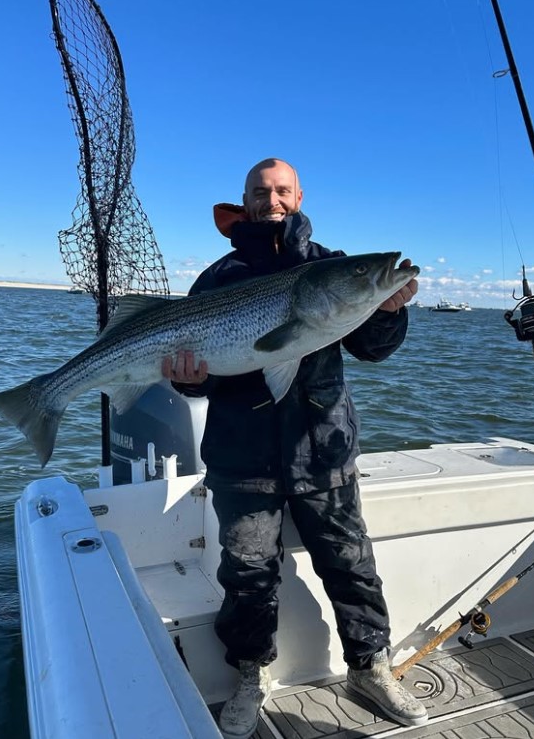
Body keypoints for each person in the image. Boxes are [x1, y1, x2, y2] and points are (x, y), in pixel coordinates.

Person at [162, 158, 425, 739]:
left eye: (282, 190)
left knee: (352, 565)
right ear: (246, 198)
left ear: (300, 195)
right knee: (248, 573)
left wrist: (385, 308)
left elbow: (374, 350)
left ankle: (370, 667)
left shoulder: (332, 270)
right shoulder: (219, 277)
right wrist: (184, 377)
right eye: (260, 191)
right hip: (241, 456)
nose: (271, 199)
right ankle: (249, 676)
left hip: (323, 449)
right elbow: (200, 376)